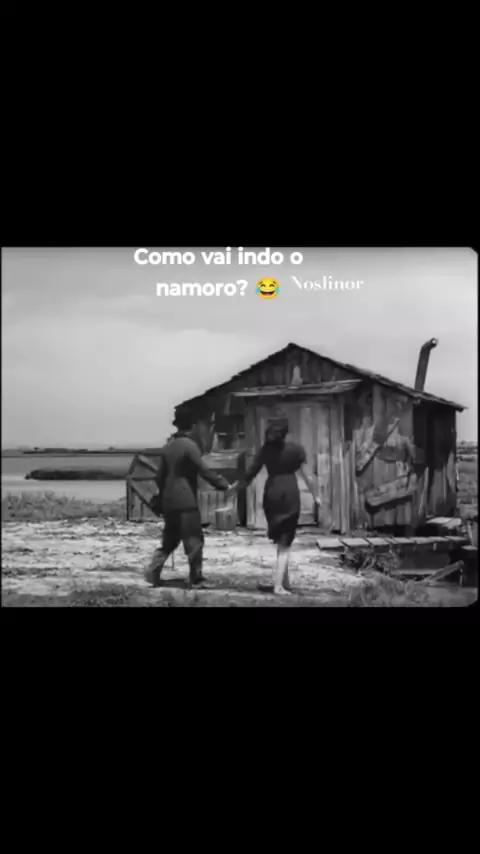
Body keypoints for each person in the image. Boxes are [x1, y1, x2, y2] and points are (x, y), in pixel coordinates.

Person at [144, 410, 235, 588]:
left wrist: (164, 494)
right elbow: (204, 470)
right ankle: (196, 578)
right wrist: (224, 485)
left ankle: (152, 571)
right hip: (186, 501)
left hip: (169, 501)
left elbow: (159, 476)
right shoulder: (189, 445)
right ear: (192, 427)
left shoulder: (169, 446)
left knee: (170, 539)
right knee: (194, 539)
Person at [232, 417, 320, 595]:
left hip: (271, 493)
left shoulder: (266, 450)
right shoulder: (296, 450)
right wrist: (316, 496)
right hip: (289, 493)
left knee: (282, 539)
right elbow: (309, 477)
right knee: (286, 541)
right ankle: (278, 586)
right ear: (286, 432)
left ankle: (285, 581)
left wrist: (236, 487)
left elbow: (251, 472)